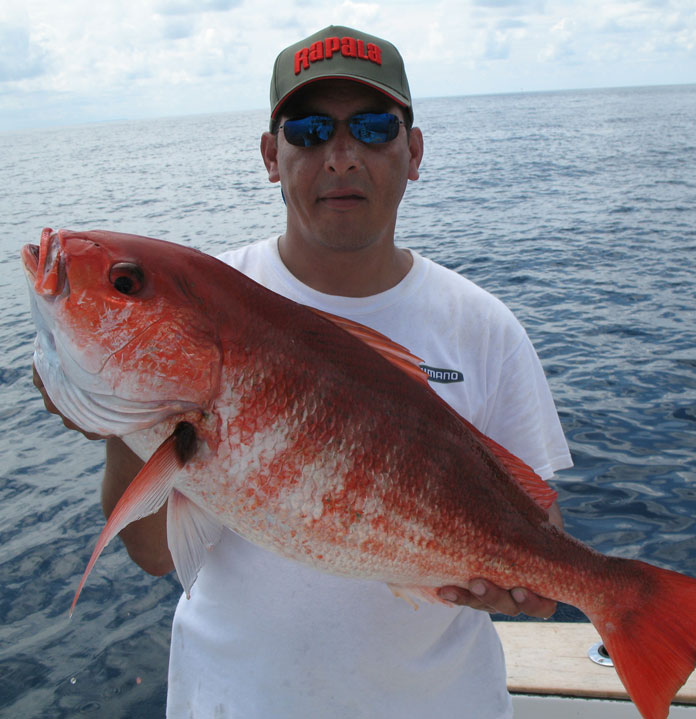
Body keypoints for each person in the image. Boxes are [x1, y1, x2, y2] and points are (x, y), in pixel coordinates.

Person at [34, 25, 573, 718]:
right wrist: (120, 418)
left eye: (374, 127)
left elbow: (544, 544)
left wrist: (531, 582)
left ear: (413, 152)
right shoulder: (214, 295)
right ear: (271, 154)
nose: (341, 157)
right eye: (310, 129)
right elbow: (154, 554)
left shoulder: (485, 327)